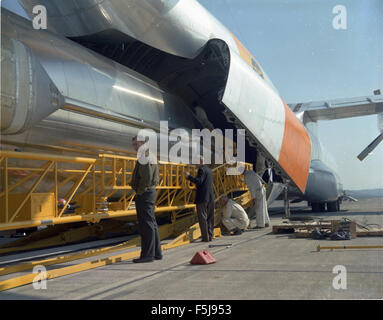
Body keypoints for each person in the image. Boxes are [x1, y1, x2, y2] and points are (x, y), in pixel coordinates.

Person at [130, 135, 162, 263]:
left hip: (145, 192)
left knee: (146, 224)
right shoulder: (149, 154)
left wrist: (139, 191)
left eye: (136, 145)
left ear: (142, 143)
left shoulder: (144, 155)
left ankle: (147, 255)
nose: (134, 148)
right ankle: (156, 253)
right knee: (151, 223)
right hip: (150, 191)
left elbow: (146, 178)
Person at [185, 156, 215, 242]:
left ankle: (205, 238)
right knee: (210, 218)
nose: (194, 164)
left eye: (195, 162)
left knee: (203, 218)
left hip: (202, 198)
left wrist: (189, 177)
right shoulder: (209, 170)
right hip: (210, 197)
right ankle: (210, 235)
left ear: (200, 162)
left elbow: (199, 181)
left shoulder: (201, 170)